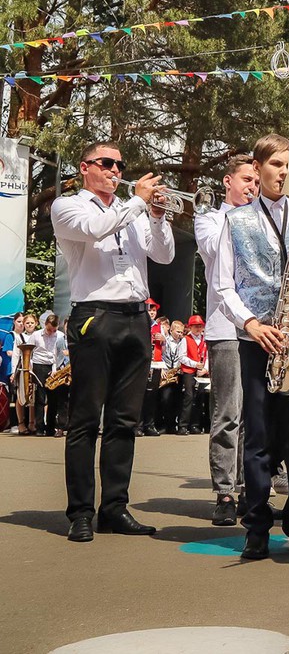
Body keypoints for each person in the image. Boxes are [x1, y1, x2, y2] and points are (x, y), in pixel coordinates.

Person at [213, 133, 289, 561]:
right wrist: (250, 324)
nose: (283, 172)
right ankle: (257, 527)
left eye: (288, 165)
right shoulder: (235, 220)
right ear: (258, 168)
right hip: (258, 336)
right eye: (276, 165)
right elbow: (222, 284)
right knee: (259, 436)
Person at [50, 141, 175, 542]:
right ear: (85, 167)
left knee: (125, 420)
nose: (116, 169)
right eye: (107, 163)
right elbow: (95, 229)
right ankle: (81, 512)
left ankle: (115, 508)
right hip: (94, 316)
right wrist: (138, 203)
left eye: (120, 164)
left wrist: (156, 215)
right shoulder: (68, 206)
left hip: (136, 317)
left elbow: (165, 255)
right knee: (86, 419)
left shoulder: (133, 210)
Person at [194, 153, 260, 524]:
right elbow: (215, 251)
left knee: (255, 414)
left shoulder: (257, 216)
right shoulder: (209, 218)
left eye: (255, 181)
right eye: (246, 180)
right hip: (225, 327)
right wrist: (241, 218)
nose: (252, 187)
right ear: (227, 181)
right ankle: (224, 491)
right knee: (227, 414)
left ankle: (252, 488)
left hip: (259, 328)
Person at [30, 313, 68, 436]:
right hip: (39, 365)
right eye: (49, 329)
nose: (51, 332)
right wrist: (30, 368)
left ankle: (51, 428)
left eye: (54, 330)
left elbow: (59, 355)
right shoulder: (36, 335)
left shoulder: (60, 336)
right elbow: (29, 352)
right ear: (45, 324)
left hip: (54, 367)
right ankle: (39, 427)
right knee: (40, 398)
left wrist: (55, 369)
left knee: (53, 398)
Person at [178, 316, 209, 436]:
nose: (198, 328)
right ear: (190, 327)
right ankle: (183, 425)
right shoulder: (186, 339)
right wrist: (195, 364)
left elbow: (208, 355)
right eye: (195, 326)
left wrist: (205, 368)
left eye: (200, 326)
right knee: (189, 396)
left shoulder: (205, 339)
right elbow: (182, 357)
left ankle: (195, 425)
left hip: (201, 373)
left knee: (200, 397)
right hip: (189, 371)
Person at [138, 303, 164, 437]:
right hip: (143, 363)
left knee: (152, 396)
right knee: (139, 395)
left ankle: (150, 425)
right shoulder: (140, 324)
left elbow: (165, 348)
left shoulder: (159, 326)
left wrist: (163, 340)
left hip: (156, 364)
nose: (152, 313)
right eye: (150, 310)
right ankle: (138, 425)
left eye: (154, 311)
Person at [12, 314, 39, 436]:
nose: (29, 325)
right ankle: (20, 423)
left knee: (32, 395)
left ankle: (32, 422)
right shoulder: (19, 337)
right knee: (21, 395)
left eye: (31, 323)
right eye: (27, 323)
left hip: (34, 369)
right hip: (22, 368)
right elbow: (16, 355)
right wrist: (13, 372)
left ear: (36, 323)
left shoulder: (38, 336)